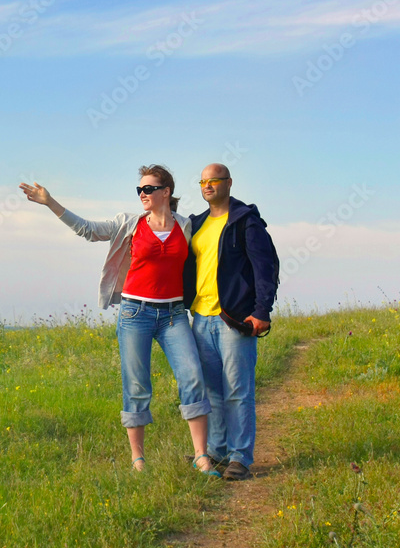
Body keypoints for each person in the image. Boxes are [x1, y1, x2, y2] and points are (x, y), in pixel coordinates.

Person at [20, 165, 220, 476]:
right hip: (135, 314)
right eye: (139, 189)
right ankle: (138, 460)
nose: (143, 194)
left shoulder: (186, 226)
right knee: (137, 385)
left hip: (173, 315)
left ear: (165, 192)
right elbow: (88, 229)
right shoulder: (128, 223)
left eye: (149, 189)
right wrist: (50, 202)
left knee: (192, 376)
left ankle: (201, 456)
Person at [183, 163, 280, 481]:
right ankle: (218, 451)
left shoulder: (245, 221)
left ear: (228, 183)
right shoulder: (196, 224)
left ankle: (240, 458)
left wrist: (262, 311)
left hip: (234, 320)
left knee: (238, 390)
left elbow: (265, 268)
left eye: (214, 180)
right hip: (201, 319)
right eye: (203, 181)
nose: (208, 185)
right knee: (212, 391)